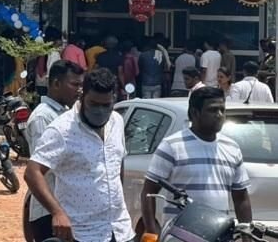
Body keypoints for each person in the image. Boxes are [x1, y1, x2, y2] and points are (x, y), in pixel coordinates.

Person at [24, 68, 133, 242]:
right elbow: (32, 172)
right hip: (83, 233)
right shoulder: (62, 129)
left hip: (120, 229)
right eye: (94, 104)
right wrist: (57, 212)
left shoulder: (117, 122)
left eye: (106, 105)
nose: (100, 110)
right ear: (82, 96)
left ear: (114, 99)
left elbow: (117, 162)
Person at [140, 87, 251, 236]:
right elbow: (149, 193)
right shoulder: (172, 146)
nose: (219, 115)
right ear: (194, 113)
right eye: (212, 110)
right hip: (180, 236)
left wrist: (246, 234)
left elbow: (241, 199)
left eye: (222, 110)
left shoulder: (232, 148)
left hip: (218, 235)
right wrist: (152, 231)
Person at [23, 60, 85, 242]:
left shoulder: (67, 113)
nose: (79, 90)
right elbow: (43, 167)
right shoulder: (43, 117)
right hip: (49, 212)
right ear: (56, 84)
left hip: (66, 210)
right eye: (74, 84)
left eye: (81, 85)